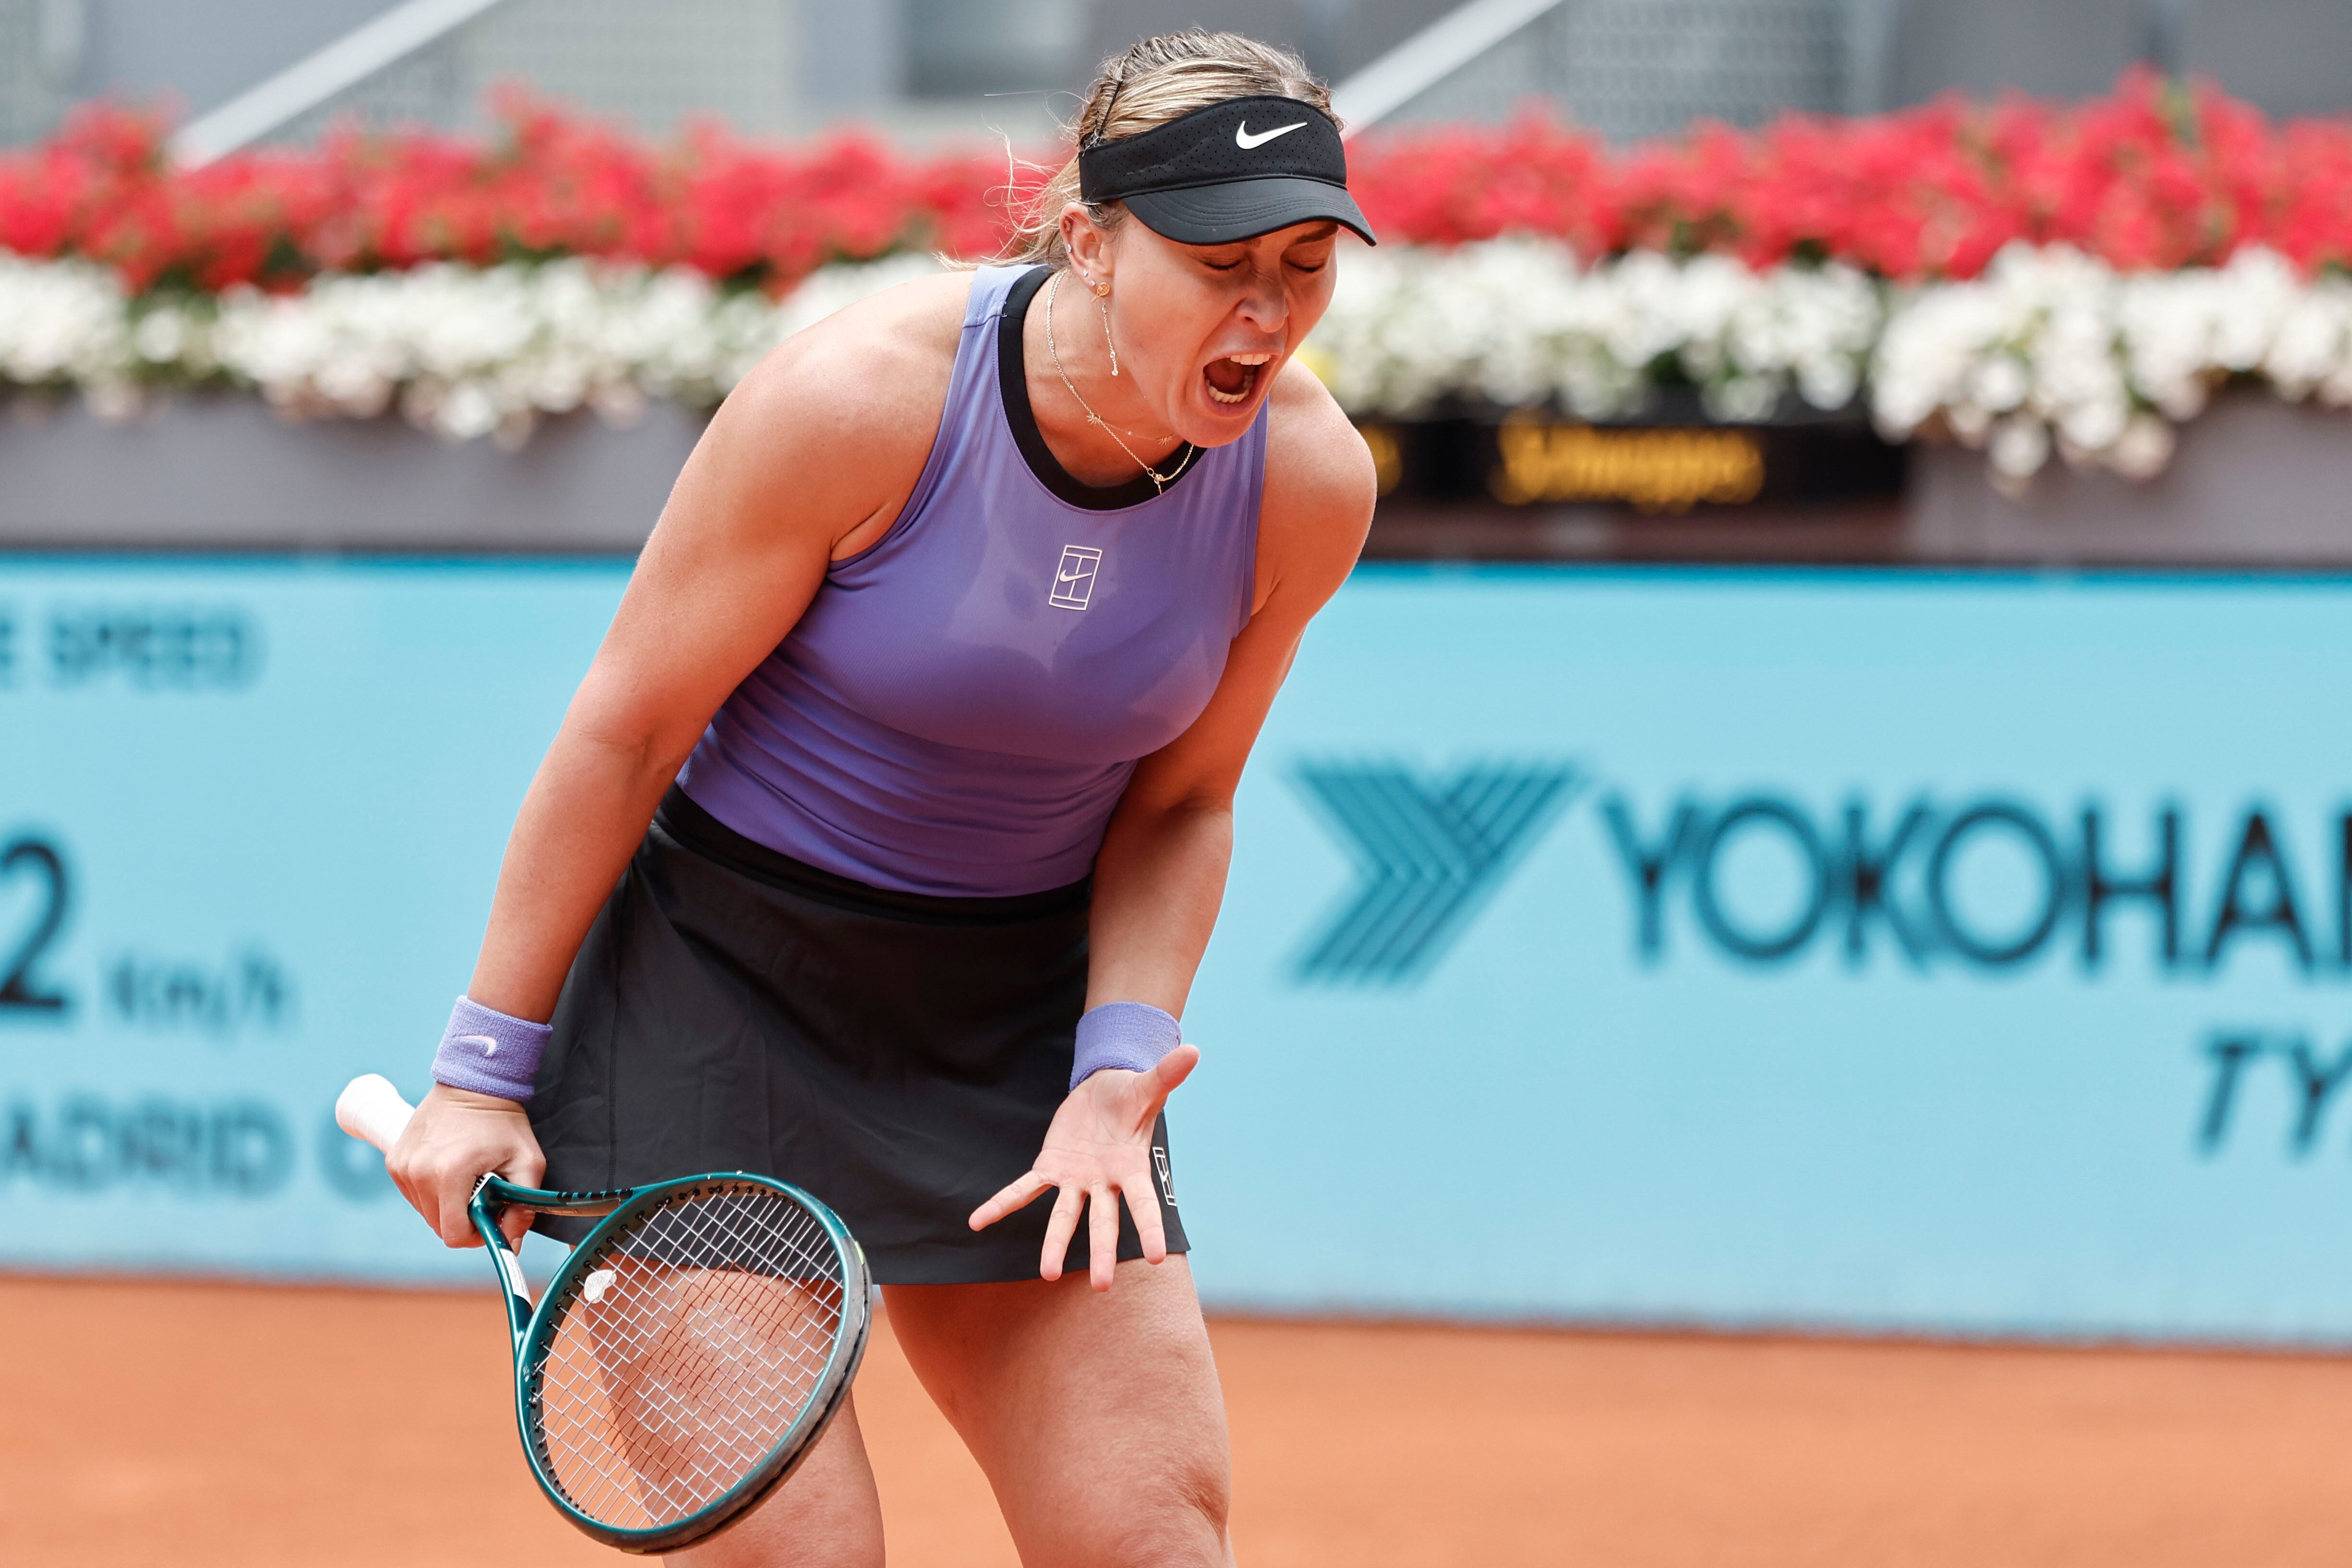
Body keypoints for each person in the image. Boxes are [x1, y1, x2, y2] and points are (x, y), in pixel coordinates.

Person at [387, 28, 1377, 1568]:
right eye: (1221, 262)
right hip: (721, 996)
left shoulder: (1310, 482)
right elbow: (628, 734)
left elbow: (1183, 802)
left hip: (1015, 1026)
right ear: (1090, 244)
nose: (1269, 313)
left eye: (1308, 265)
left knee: (1152, 1542)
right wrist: (479, 1070)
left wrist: (1114, 1073)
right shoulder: (859, 401)